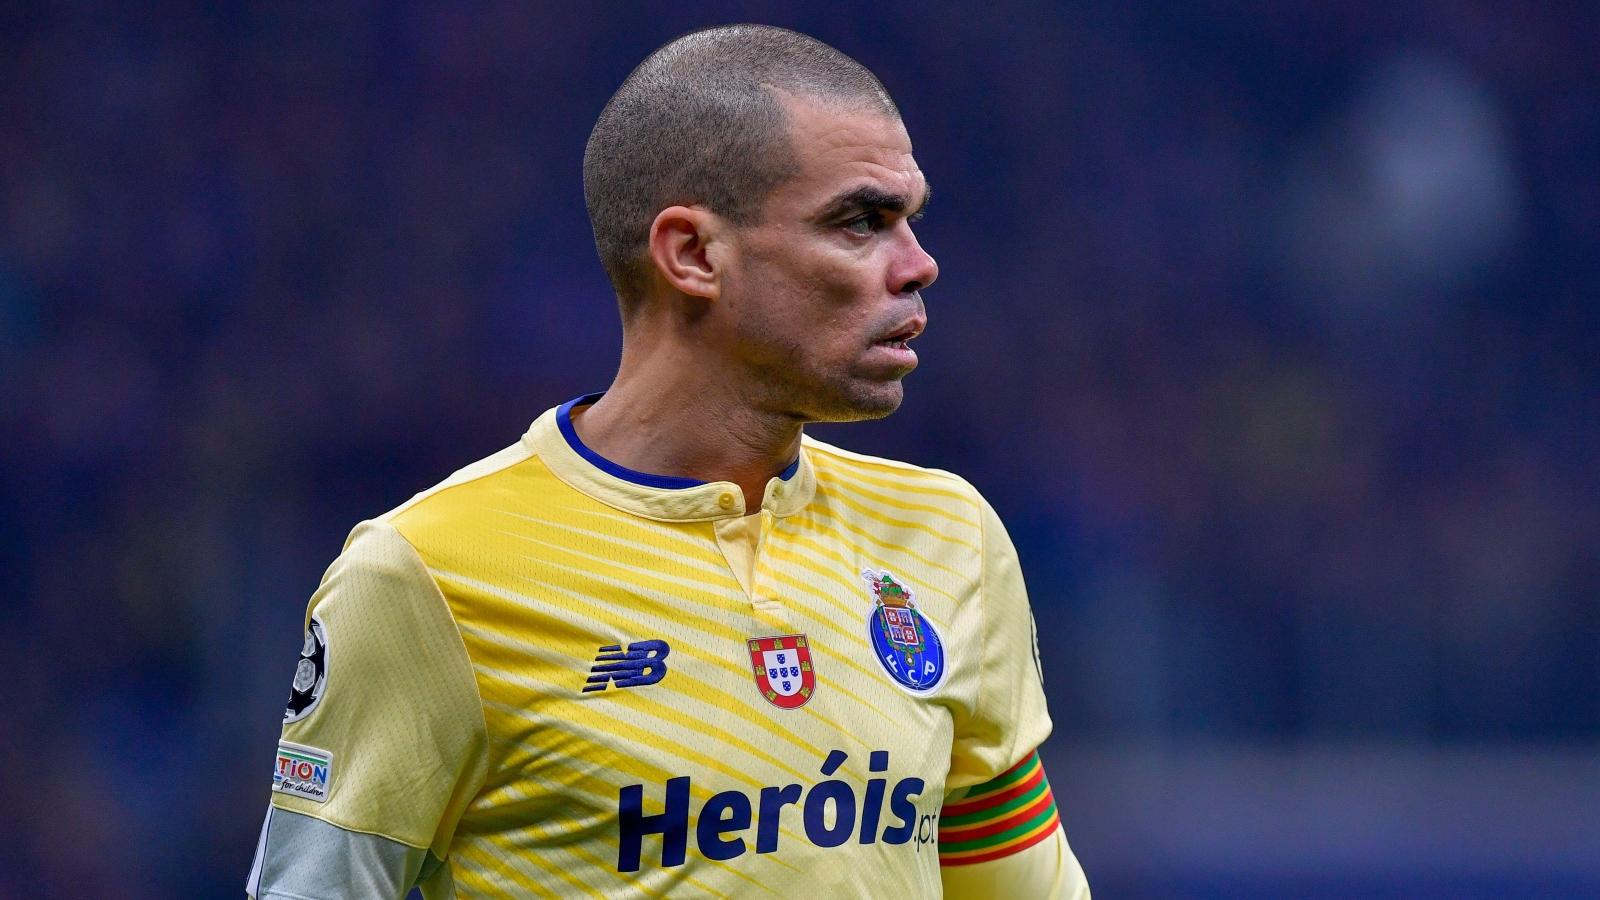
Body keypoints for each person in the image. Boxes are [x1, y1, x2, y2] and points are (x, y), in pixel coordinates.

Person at [248, 23, 1089, 899]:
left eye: (912, 219)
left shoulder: (948, 537)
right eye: (861, 221)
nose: (919, 265)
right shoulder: (427, 575)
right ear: (691, 254)